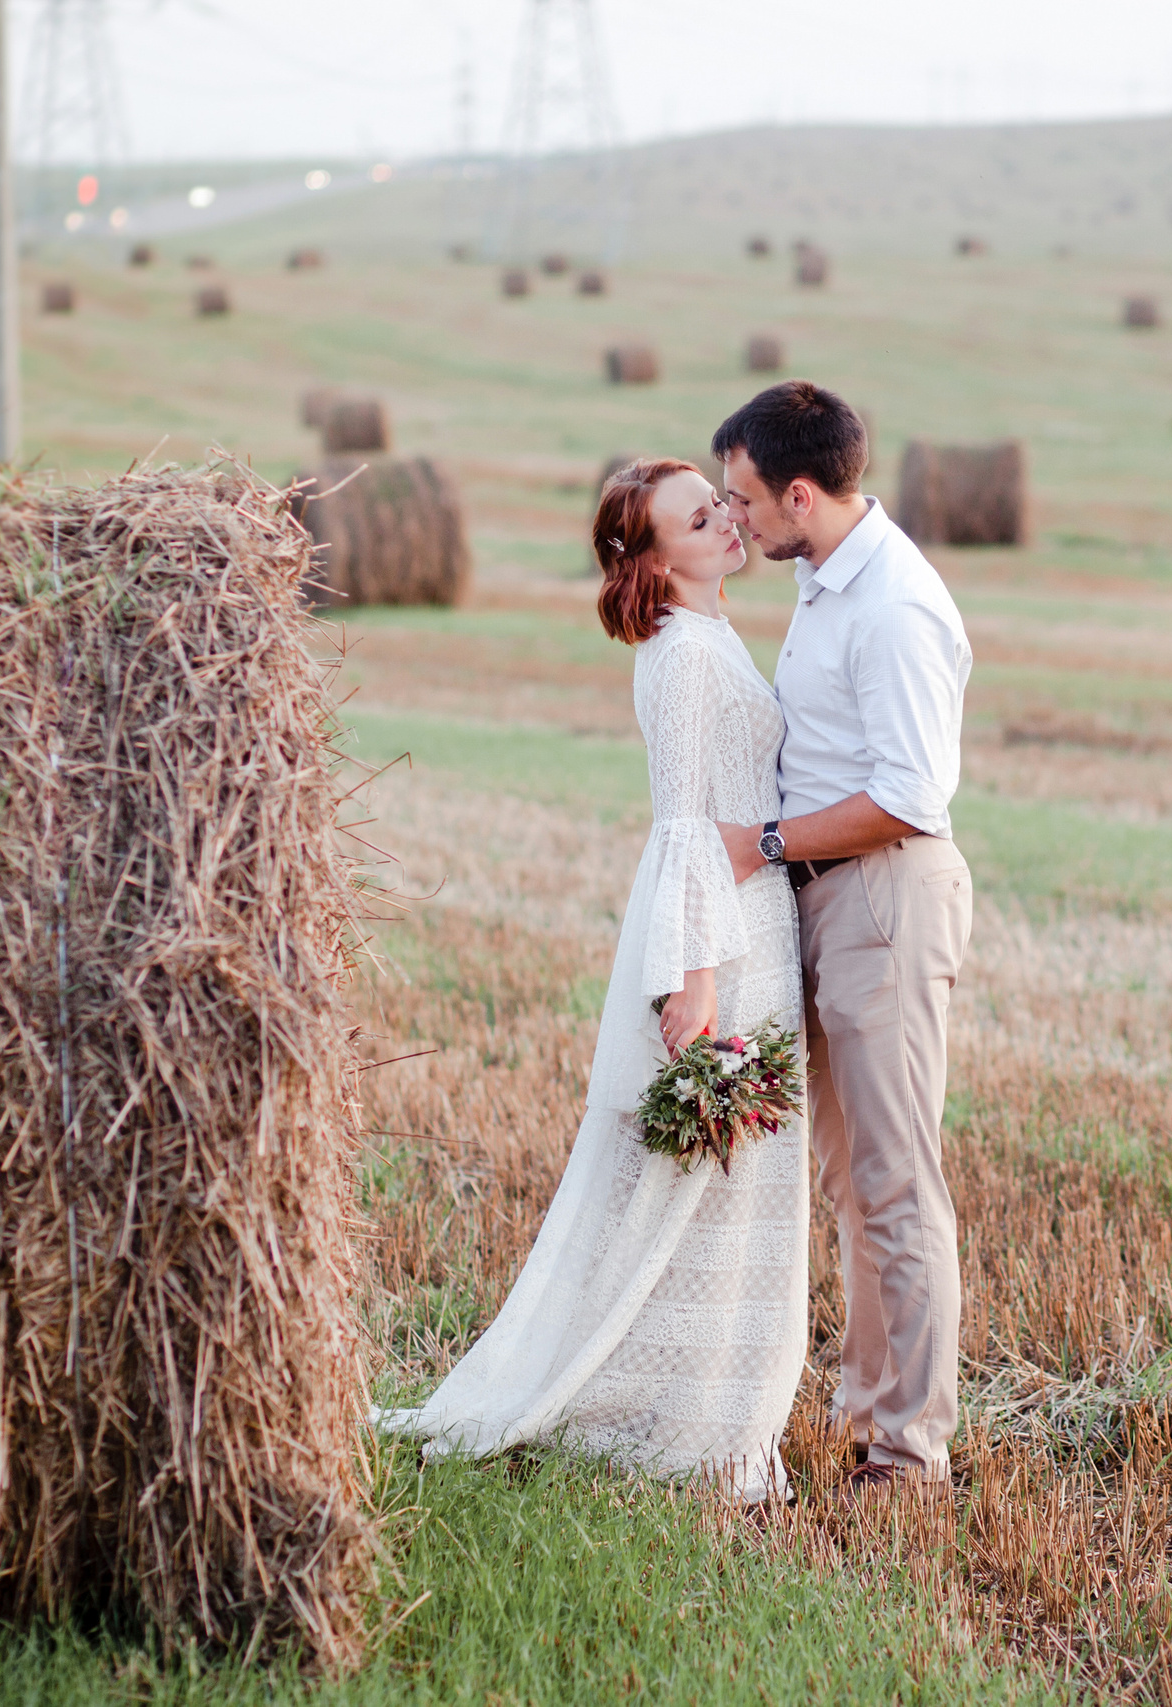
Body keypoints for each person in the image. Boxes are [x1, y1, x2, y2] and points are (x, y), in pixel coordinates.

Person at [375, 458, 809, 1505]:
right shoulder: (682, 657)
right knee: (706, 1182)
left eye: (718, 504)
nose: (724, 522)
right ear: (653, 563)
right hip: (725, 936)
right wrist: (692, 981)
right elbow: (682, 826)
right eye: (695, 520)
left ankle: (706, 1412)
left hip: (748, 917)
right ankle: (686, 1423)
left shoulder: (705, 639)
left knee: (730, 1186)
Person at [710, 382, 975, 1493]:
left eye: (744, 499)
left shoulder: (895, 608)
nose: (737, 521)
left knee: (897, 1179)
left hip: (883, 897)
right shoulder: (826, 578)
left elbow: (911, 797)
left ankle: (909, 1453)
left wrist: (760, 843)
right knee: (849, 1181)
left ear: (802, 494)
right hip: (823, 894)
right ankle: (868, 1409)